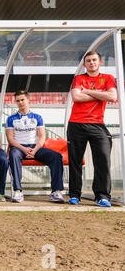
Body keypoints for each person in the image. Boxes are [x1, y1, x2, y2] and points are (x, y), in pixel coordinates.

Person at [67, 51, 117, 207]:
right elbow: (76, 97)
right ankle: (75, 194)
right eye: (88, 60)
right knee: (75, 161)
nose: (91, 63)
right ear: (84, 64)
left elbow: (112, 97)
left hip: (98, 125)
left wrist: (87, 91)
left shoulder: (108, 78)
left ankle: (102, 196)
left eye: (94, 60)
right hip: (76, 124)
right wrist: (101, 93)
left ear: (100, 62)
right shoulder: (78, 78)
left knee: (102, 160)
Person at [6, 90, 64, 203]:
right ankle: (18, 191)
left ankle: (56, 191)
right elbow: (10, 139)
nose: (20, 102)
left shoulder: (37, 117)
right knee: (13, 154)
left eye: (22, 100)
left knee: (56, 156)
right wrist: (24, 149)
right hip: (19, 147)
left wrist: (34, 150)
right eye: (17, 101)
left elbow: (42, 137)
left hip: (35, 147)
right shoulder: (11, 119)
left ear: (28, 100)